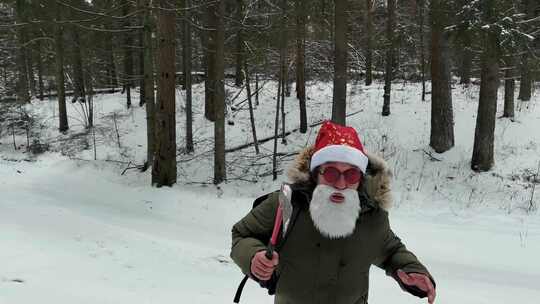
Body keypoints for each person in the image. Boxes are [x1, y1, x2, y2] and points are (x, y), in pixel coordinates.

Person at [231, 120, 436, 304]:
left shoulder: (372, 215)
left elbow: (390, 251)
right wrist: (253, 257)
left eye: (351, 174)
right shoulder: (286, 204)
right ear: (315, 173)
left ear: (361, 177)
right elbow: (242, 235)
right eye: (331, 173)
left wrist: (413, 271)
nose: (340, 183)